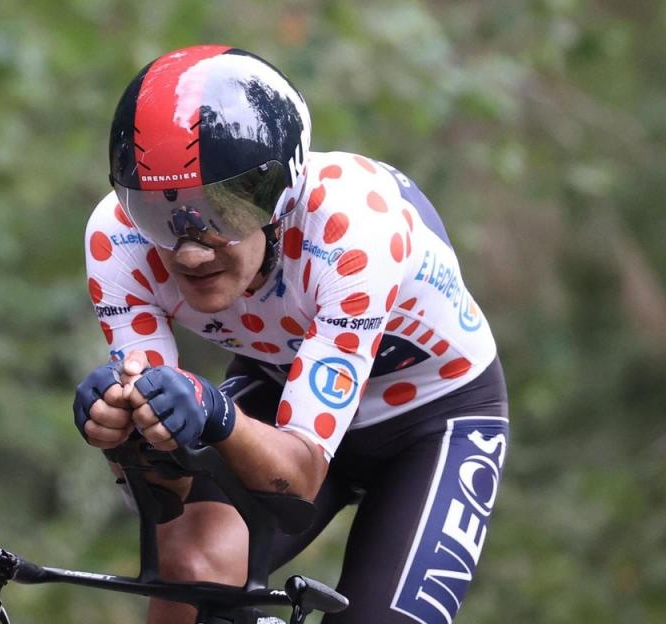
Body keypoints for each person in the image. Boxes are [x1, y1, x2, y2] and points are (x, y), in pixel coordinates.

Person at [73, 45, 509, 624]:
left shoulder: (352, 230)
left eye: (223, 212)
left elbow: (297, 478)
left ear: (282, 195)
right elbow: (164, 508)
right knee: (192, 576)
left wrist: (213, 413)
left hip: (431, 417)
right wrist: (128, 437)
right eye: (157, 212)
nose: (191, 249)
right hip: (282, 383)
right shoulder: (118, 240)